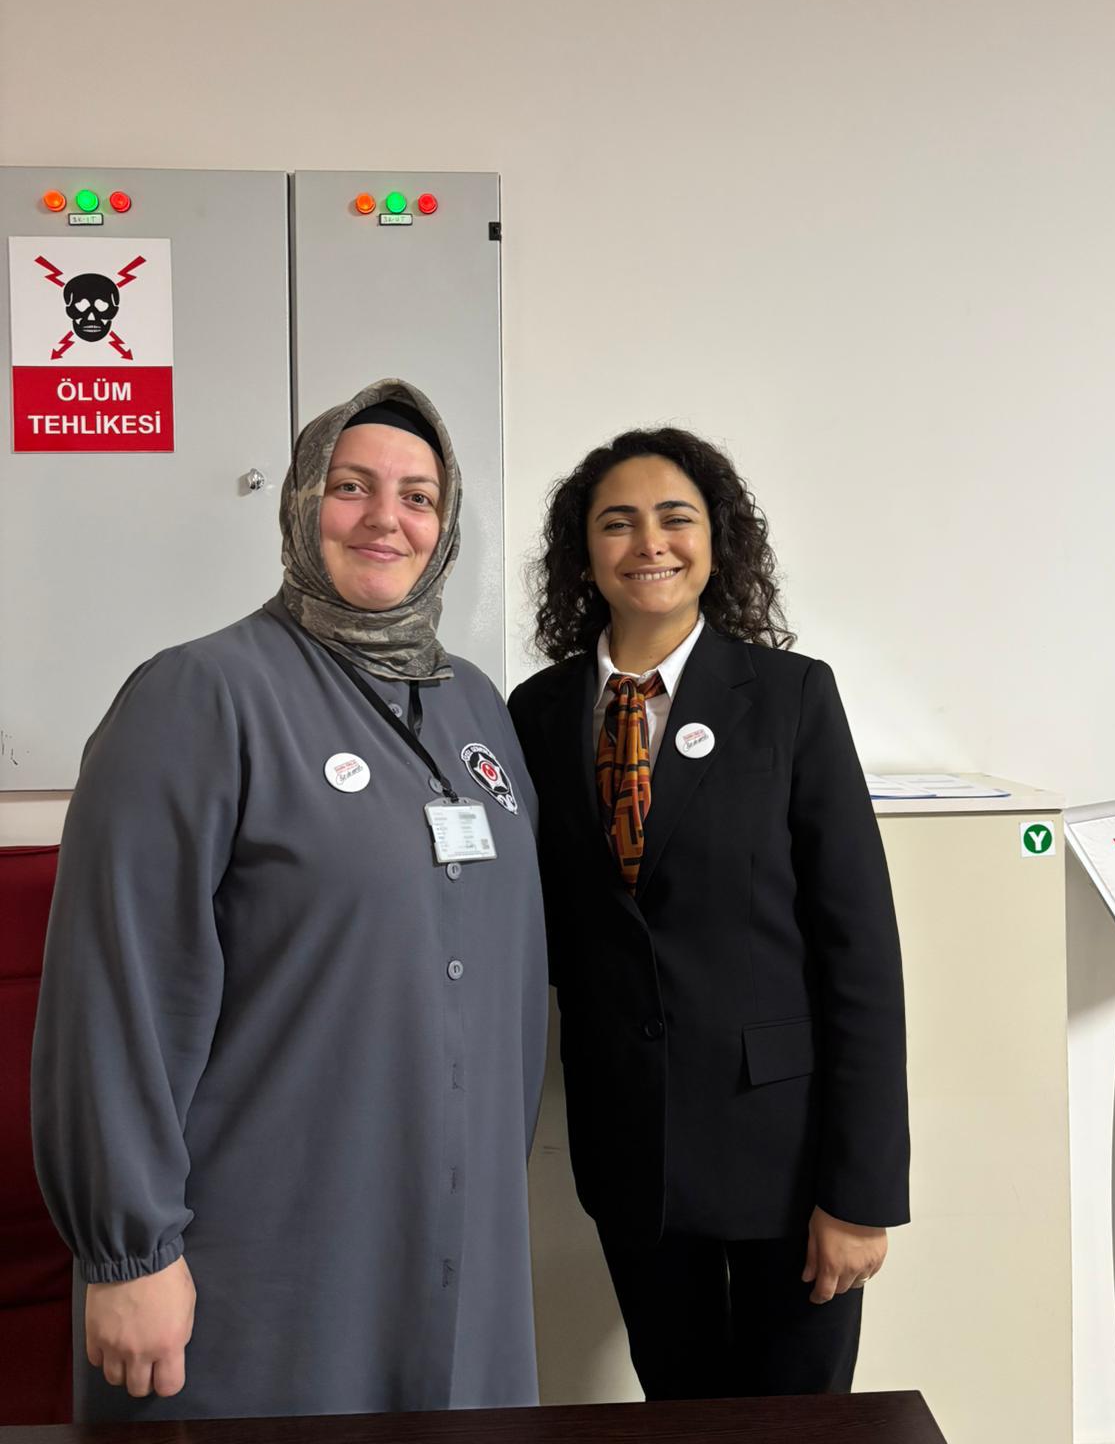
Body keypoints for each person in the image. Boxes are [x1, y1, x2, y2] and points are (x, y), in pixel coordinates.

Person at [32, 379, 547, 1420]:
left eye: (418, 496)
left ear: (446, 526)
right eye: (350, 487)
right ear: (301, 501)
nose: (385, 518)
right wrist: (131, 1252)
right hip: (262, 1249)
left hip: (458, 1240)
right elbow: (117, 990)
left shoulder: (478, 710)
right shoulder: (199, 694)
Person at [508, 427, 908, 1401]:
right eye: (618, 522)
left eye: (675, 517)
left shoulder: (791, 697)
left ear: (716, 541)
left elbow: (860, 953)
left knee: (800, 1424)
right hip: (630, 1154)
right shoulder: (537, 712)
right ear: (583, 555)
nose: (650, 541)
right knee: (675, 1411)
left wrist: (860, 1192)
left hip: (788, 1161)